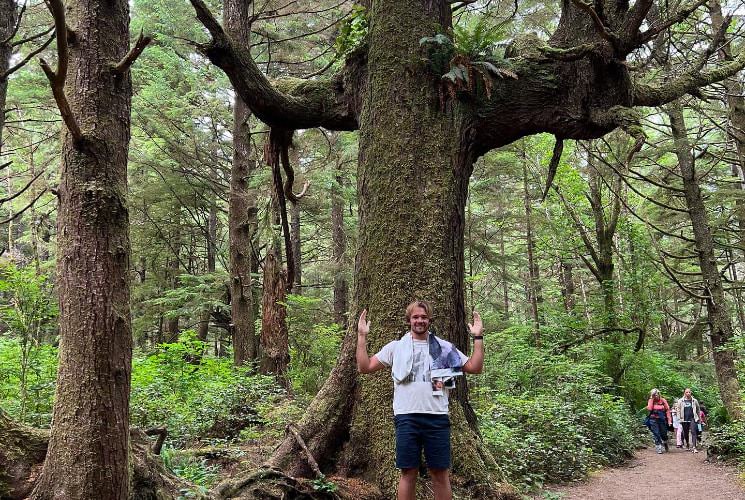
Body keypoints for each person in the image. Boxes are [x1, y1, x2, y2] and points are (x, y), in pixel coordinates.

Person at [356, 300, 485, 500]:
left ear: (429, 320)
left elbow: (475, 367)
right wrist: (362, 336)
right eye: (416, 317)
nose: (420, 320)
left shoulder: (444, 348)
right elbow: (364, 367)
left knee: (440, 473)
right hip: (407, 418)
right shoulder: (395, 348)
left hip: (437, 418)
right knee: (408, 472)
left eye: (424, 317)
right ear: (409, 320)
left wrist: (478, 336)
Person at [675, 388, 701, 452]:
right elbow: (678, 410)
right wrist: (679, 418)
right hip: (684, 419)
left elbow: (698, 410)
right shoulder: (680, 401)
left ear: (691, 393)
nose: (688, 393)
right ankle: (687, 444)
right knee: (685, 433)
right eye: (687, 392)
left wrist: (699, 419)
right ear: (684, 393)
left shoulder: (694, 401)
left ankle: (694, 447)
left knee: (693, 432)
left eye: (689, 392)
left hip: (693, 418)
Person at [646, 389, 672, 454]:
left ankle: (665, 442)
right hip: (653, 419)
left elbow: (667, 410)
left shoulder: (663, 400)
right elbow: (649, 408)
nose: (655, 396)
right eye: (654, 395)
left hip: (662, 419)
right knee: (656, 433)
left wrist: (669, 420)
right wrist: (652, 399)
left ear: (659, 394)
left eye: (656, 394)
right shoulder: (651, 400)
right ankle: (659, 447)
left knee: (664, 434)